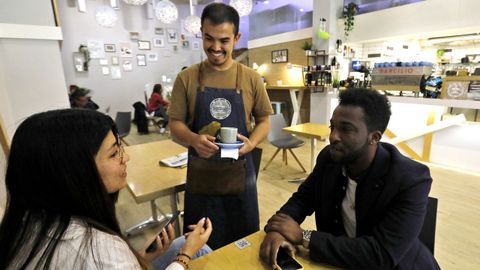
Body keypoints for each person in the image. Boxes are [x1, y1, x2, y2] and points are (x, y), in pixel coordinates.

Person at [0, 109, 212, 269]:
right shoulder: (101, 251)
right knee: (195, 247)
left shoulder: (24, 222)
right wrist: (185, 256)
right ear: (76, 172)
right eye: (113, 154)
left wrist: (141, 258)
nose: (125, 157)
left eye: (120, 148)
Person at [260, 88, 440, 269]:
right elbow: (302, 199)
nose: (333, 136)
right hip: (338, 262)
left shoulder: (410, 179)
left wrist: (304, 237)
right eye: (332, 126)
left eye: (346, 129)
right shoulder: (329, 159)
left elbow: (381, 255)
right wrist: (278, 231)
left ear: (374, 137)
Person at [169, 3, 273, 250]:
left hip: (240, 171)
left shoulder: (250, 77)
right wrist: (194, 140)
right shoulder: (187, 78)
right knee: (199, 247)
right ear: (201, 34)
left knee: (243, 242)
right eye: (209, 38)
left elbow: (264, 121)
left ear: (237, 38)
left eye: (224, 40)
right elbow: (174, 124)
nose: (215, 48)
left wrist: (253, 142)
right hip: (201, 172)